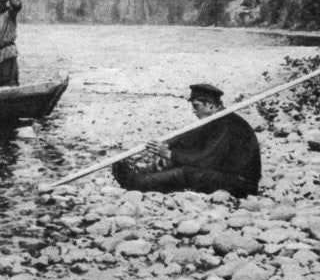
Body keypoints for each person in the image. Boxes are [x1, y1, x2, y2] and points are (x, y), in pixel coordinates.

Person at [111, 84, 261, 197]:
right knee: (183, 155)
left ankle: (136, 184)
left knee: (186, 172)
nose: (194, 111)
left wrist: (169, 154)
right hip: (225, 173)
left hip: (240, 184)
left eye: (196, 106)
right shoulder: (216, 119)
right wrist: (165, 146)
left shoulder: (227, 124)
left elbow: (205, 160)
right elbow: (187, 137)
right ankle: (146, 175)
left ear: (210, 105)